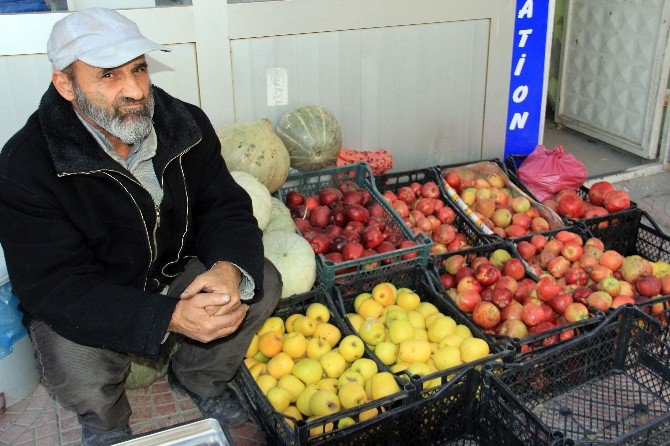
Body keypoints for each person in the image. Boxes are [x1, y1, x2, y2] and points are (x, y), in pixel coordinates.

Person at [0, 8, 282, 446]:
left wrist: (228, 268)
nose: (134, 90)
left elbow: (224, 207)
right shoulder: (27, 166)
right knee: (71, 360)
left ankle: (200, 380)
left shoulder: (184, 124)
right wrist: (166, 318)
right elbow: (53, 286)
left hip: (173, 272)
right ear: (65, 84)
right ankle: (106, 423)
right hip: (100, 295)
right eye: (108, 75)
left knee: (258, 278)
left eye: (139, 69)